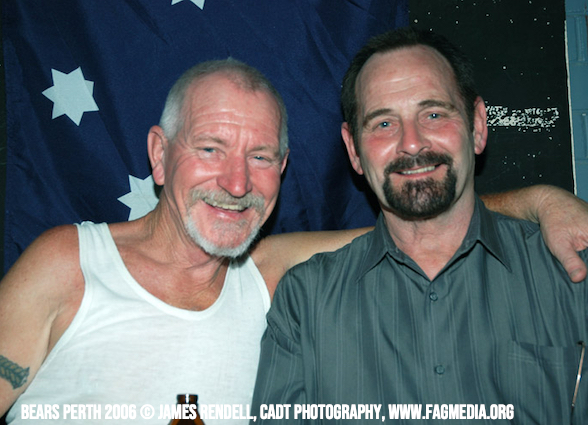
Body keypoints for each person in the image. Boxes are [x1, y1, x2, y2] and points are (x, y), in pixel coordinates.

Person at [0, 58, 586, 425]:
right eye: (210, 149)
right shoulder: (71, 262)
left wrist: (541, 200)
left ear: (281, 169)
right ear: (159, 155)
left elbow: (419, 216)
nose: (236, 183)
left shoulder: (274, 275)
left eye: (259, 157)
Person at [251, 28, 588, 424]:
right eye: (383, 123)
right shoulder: (304, 302)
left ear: (478, 126)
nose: (411, 143)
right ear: (353, 150)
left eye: (433, 114)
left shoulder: (570, 275)